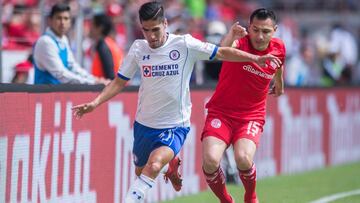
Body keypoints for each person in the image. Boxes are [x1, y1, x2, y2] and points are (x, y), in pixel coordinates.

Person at [72, 2, 281, 203]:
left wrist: (254, 59)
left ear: (165, 24)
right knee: (141, 172)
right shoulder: (138, 49)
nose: (151, 36)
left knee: (153, 166)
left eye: (155, 29)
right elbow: (119, 82)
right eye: (146, 30)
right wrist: (95, 103)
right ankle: (171, 166)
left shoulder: (184, 44)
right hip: (144, 124)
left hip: (175, 124)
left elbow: (221, 52)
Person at [201, 8, 285, 203]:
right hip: (221, 113)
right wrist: (231, 34)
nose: (260, 36)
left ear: (275, 30)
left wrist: (279, 84)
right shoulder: (240, 42)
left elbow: (279, 63)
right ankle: (226, 200)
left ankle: (250, 196)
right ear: (249, 27)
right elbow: (221, 53)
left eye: (266, 31)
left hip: (251, 116)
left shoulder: (279, 47)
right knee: (211, 161)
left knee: (243, 159)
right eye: (255, 30)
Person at [33, 3, 104, 84]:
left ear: (70, 22)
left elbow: (72, 67)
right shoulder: (45, 42)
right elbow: (61, 74)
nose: (62, 22)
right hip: (43, 95)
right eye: (58, 18)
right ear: (50, 20)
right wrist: (92, 82)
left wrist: (94, 79)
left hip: (58, 94)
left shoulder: (63, 39)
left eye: (66, 18)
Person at [90, 13, 123, 80]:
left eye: (92, 25)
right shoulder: (110, 43)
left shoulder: (103, 46)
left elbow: (110, 75)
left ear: (100, 28)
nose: (90, 29)